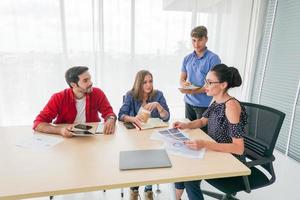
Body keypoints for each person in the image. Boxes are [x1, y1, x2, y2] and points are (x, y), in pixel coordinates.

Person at [173, 64, 247, 200]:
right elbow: (202, 121)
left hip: (231, 158)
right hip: (216, 150)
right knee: (183, 165)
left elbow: (238, 148)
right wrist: (186, 125)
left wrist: (204, 144)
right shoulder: (216, 100)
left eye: (209, 82)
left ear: (223, 85)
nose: (204, 85)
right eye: (205, 81)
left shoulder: (231, 106)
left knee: (190, 178)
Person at [118, 70, 170, 200]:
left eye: (150, 81)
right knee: (137, 161)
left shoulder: (158, 95)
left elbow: (166, 117)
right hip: (136, 136)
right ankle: (134, 190)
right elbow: (121, 115)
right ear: (138, 83)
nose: (148, 85)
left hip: (153, 136)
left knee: (151, 161)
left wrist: (159, 107)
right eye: (144, 82)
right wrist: (133, 119)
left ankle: (148, 190)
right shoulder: (130, 95)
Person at [33, 66, 116, 136]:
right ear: (73, 85)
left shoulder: (97, 93)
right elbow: (38, 123)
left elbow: (109, 113)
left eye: (90, 79)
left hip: (91, 137)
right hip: (67, 139)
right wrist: (60, 130)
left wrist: (110, 120)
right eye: (85, 80)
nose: (91, 83)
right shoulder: (58, 97)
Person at [179, 26, 221, 128]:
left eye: (200, 40)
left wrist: (192, 91)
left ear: (206, 39)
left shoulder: (213, 59)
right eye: (193, 40)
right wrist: (184, 84)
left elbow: (212, 85)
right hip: (188, 102)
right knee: (188, 131)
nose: (196, 44)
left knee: (202, 134)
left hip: (204, 105)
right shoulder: (187, 58)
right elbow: (182, 79)